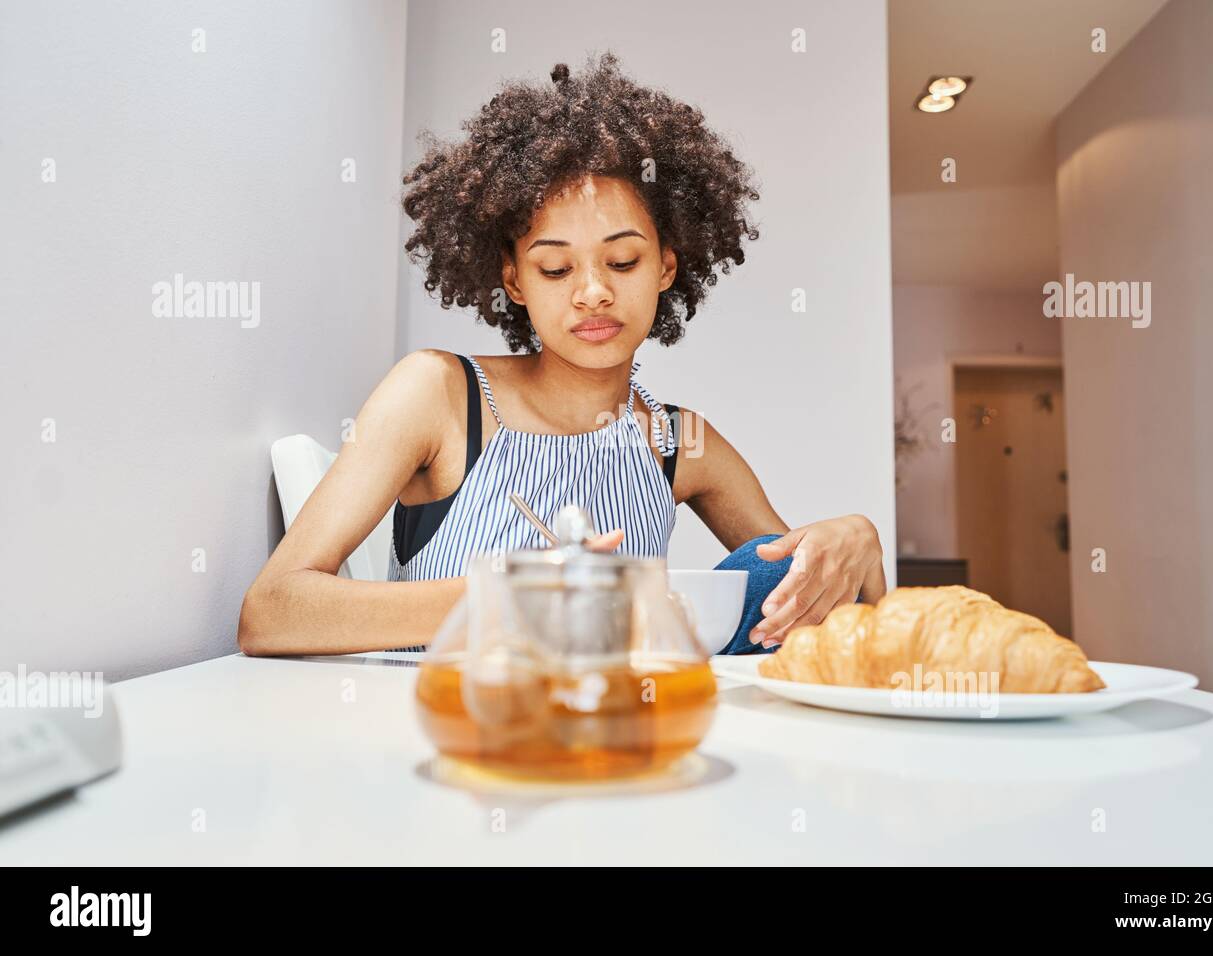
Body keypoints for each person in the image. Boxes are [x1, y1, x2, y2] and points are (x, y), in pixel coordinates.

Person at [238, 53, 885, 658]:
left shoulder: (680, 444)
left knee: (782, 572)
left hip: (623, 742)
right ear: (515, 280)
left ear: (665, 265)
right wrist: (516, 601)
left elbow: (798, 607)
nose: (594, 292)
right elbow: (272, 611)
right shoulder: (436, 395)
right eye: (554, 269)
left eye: (623, 260)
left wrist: (851, 538)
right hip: (463, 743)